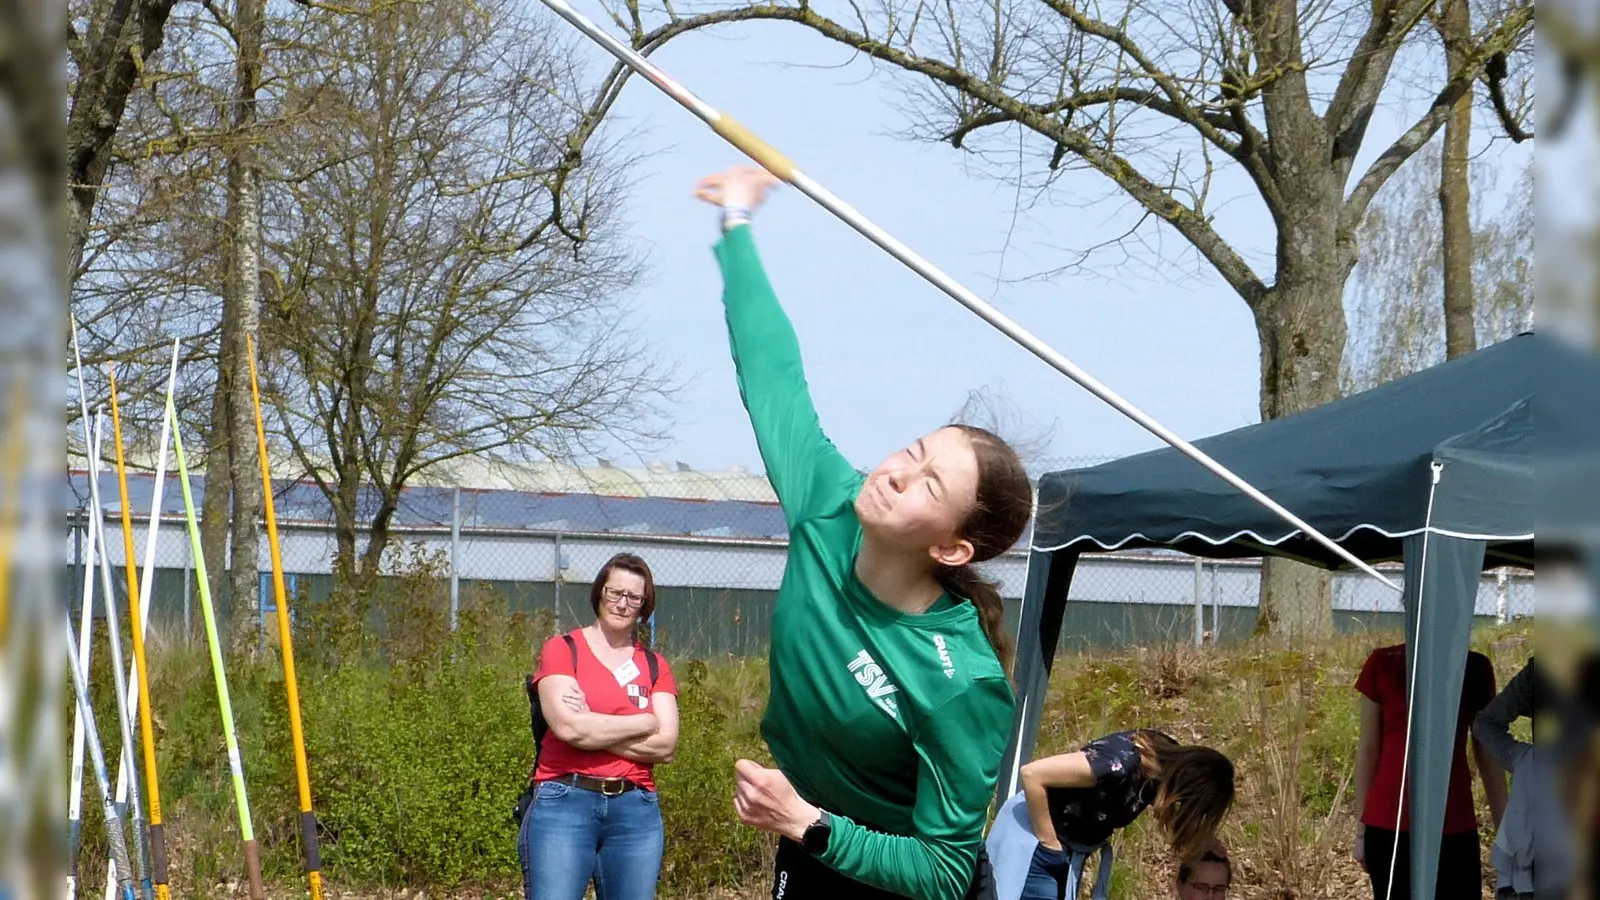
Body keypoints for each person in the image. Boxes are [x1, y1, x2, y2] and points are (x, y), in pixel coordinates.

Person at [693, 165, 1035, 900]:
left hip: (901, 879)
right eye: (911, 452)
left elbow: (946, 871)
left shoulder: (961, 682)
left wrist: (808, 821)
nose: (898, 473)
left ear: (951, 547)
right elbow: (772, 373)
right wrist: (738, 224)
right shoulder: (828, 502)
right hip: (813, 845)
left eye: (930, 484)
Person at [517, 553, 679, 900]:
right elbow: (570, 729)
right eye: (614, 592)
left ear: (643, 605)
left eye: (633, 597)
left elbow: (665, 745)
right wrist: (643, 721)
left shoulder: (654, 665)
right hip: (564, 801)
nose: (622, 604)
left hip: (635, 810)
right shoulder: (563, 650)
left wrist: (593, 724)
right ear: (599, 593)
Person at [1352, 642, 1506, 900]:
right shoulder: (1384, 662)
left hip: (1454, 823)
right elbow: (1368, 751)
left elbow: (1487, 753)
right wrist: (1360, 834)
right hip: (1389, 824)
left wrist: (1506, 830)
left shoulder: (1474, 667)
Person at [1013, 730, 1235, 900]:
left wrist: (1205, 841)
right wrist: (1049, 846)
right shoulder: (1118, 764)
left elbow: (1173, 810)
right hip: (1033, 833)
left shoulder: (1163, 767)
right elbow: (1032, 774)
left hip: (1066, 846)